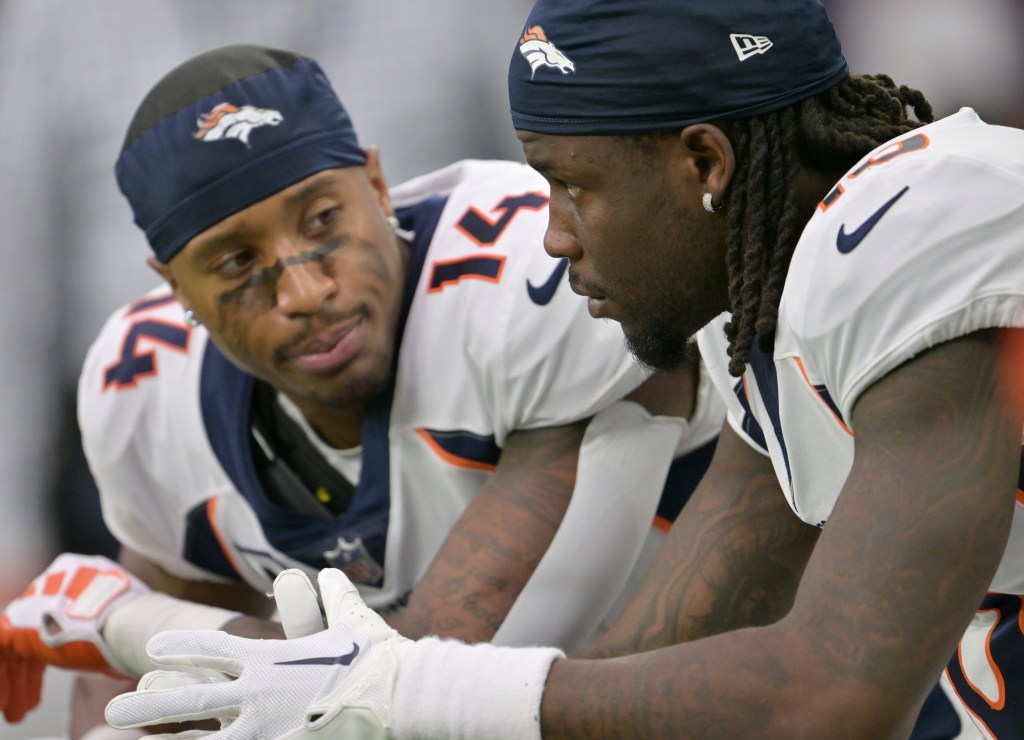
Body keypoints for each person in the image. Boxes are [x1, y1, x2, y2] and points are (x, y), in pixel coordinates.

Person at [101, 1, 1024, 738]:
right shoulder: (754, 312)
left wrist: (411, 688)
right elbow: (639, 658)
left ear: (704, 161)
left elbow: (831, 697)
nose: (553, 234)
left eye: (573, 185)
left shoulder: (910, 227)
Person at [0, 42, 726, 736]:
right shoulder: (145, 392)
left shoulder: (522, 282)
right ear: (171, 285)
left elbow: (410, 693)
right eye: (235, 261)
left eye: (323, 221)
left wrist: (118, 620)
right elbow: (155, 695)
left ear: (377, 186)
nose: (308, 291)